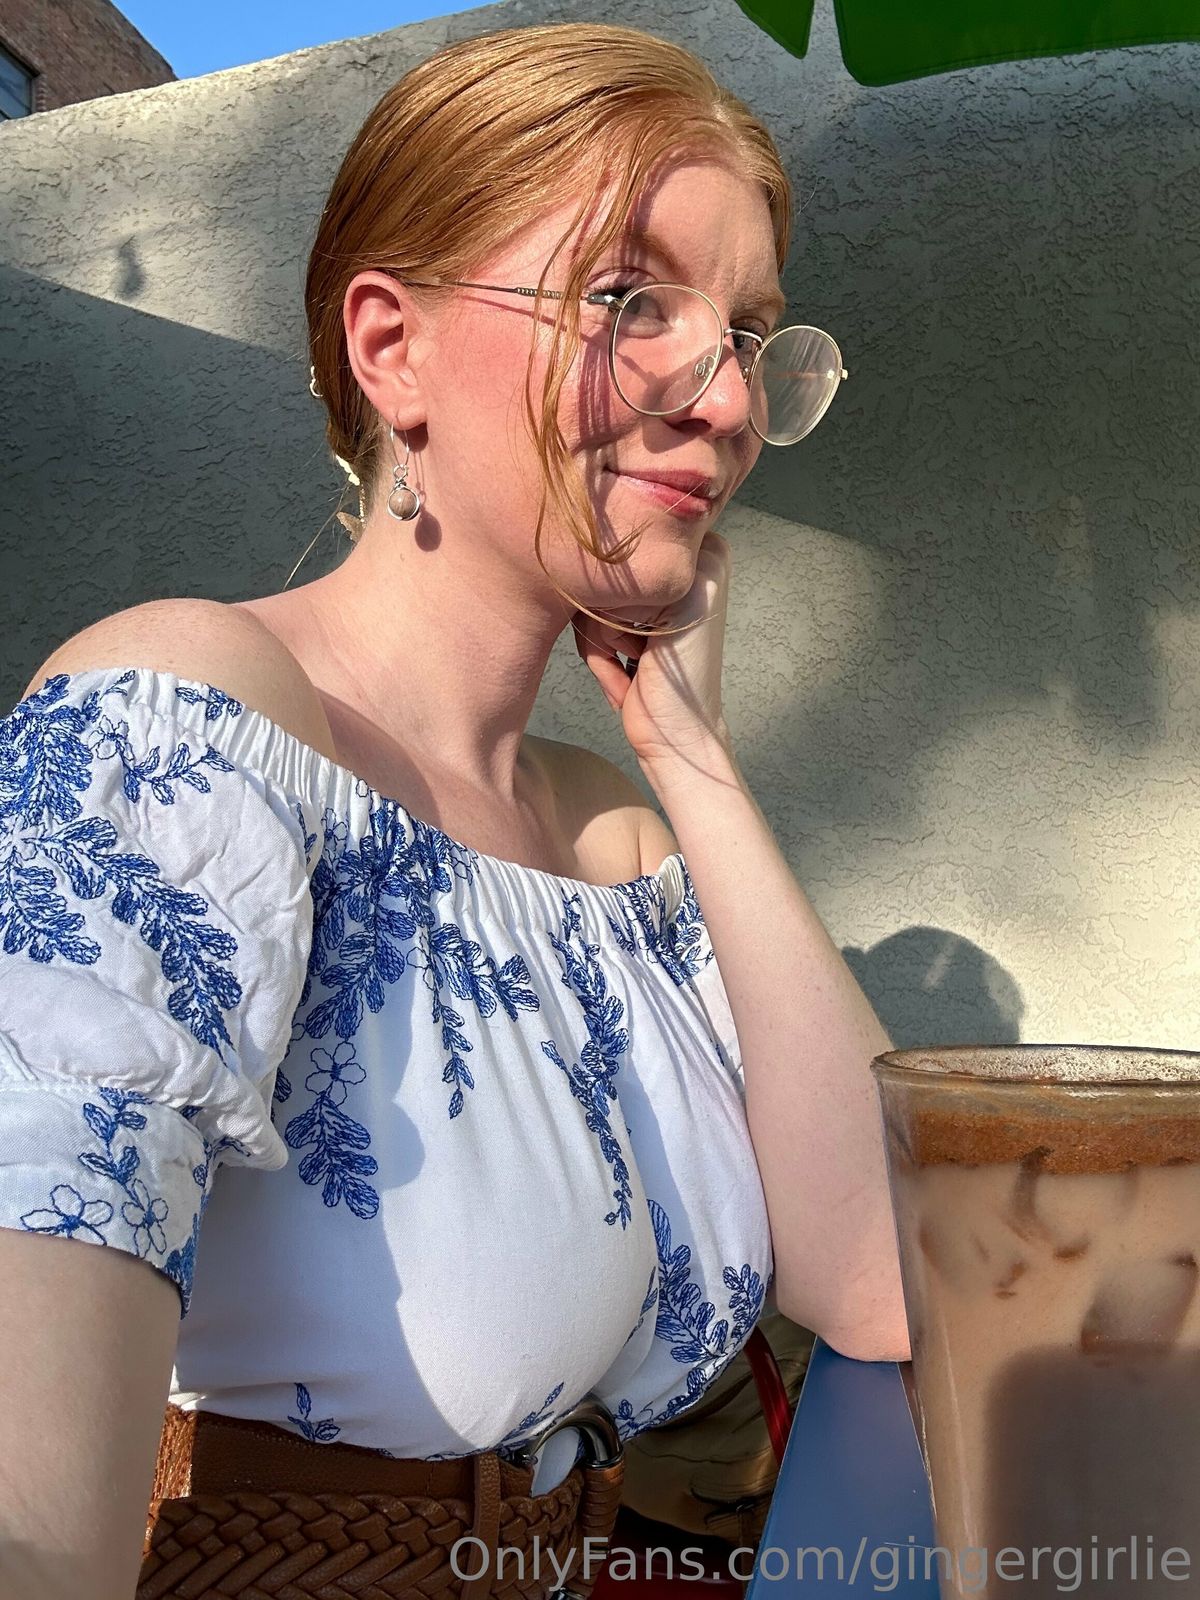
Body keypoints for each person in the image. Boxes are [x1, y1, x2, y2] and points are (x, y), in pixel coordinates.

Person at [0, 22, 908, 1598]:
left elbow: (890, 1276)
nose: (727, 403)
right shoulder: (189, 719)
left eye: (752, 332)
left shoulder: (611, 831)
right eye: (630, 301)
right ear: (392, 348)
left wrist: (695, 756)